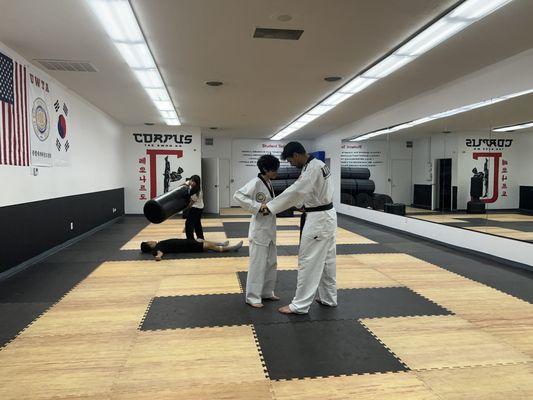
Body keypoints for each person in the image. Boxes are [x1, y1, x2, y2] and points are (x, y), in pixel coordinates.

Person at [261, 142, 336, 315]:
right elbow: (310, 192)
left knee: (308, 261)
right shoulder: (318, 164)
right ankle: (329, 297)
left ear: (296, 155)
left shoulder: (312, 169)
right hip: (327, 215)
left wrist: (270, 207)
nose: (290, 164)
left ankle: (300, 305)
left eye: (289, 160)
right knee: (327, 261)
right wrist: (302, 205)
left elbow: (295, 191)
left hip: (318, 220)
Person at [233, 154, 280, 308]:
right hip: (259, 230)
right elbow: (238, 196)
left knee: (271, 262)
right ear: (265, 169)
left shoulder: (268, 182)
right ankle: (252, 297)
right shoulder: (255, 182)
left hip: (270, 229)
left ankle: (266, 292)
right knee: (258, 264)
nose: (276, 173)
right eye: (274, 170)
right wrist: (257, 207)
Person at [141, 239, 243, 261]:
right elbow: (159, 253)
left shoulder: (159, 244)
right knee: (209, 246)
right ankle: (232, 248)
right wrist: (158, 257)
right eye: (150, 242)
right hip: (187, 247)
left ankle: (221, 243)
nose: (152, 241)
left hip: (186, 242)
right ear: (150, 246)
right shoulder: (158, 248)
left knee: (202, 240)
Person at [183, 175, 205, 240]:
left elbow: (190, 204)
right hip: (199, 208)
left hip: (196, 209)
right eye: (191, 180)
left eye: (193, 181)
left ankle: (190, 240)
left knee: (188, 225)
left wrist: (184, 209)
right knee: (197, 224)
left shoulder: (197, 192)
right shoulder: (195, 188)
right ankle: (201, 238)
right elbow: (180, 186)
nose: (192, 182)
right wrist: (186, 183)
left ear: (197, 182)